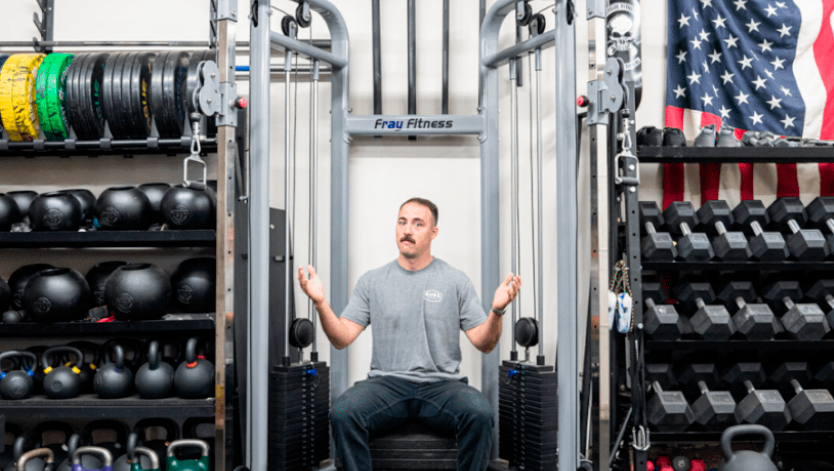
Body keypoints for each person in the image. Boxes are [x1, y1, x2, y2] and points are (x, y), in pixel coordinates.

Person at [297, 197, 521, 471]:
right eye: (402, 222)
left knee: (480, 414)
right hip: (387, 384)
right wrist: (320, 303)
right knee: (343, 412)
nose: (407, 230)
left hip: (442, 385)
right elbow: (341, 338)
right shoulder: (372, 281)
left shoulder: (456, 281)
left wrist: (496, 311)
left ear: (433, 232)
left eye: (418, 224)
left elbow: (484, 343)